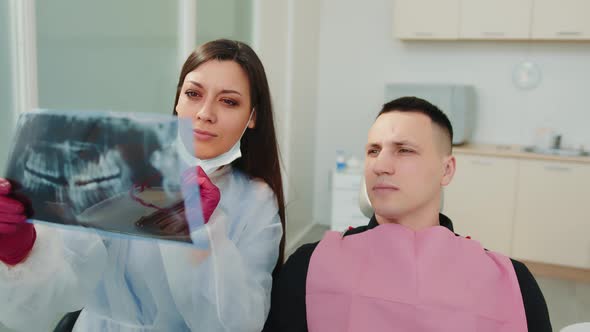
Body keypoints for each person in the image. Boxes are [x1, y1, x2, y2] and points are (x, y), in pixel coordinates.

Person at [0, 38, 285, 332]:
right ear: (177, 100)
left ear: (253, 116)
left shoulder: (255, 200)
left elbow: (241, 323)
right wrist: (20, 249)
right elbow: (62, 281)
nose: (205, 113)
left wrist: (201, 232)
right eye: (193, 93)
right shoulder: (126, 167)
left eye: (229, 101)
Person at [264, 97, 552, 332]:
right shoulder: (310, 266)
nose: (380, 165)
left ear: (447, 169)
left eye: (404, 150)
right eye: (373, 150)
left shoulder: (511, 282)